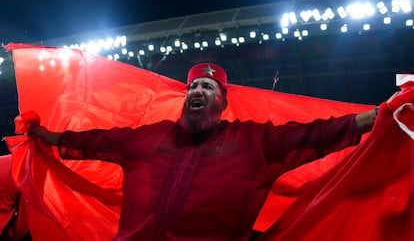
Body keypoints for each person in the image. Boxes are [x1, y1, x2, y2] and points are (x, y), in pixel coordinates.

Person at [29, 63, 377, 240]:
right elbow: (95, 140)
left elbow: (317, 133)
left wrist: (382, 115)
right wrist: (44, 135)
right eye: (193, 86)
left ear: (223, 102)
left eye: (208, 86)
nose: (198, 90)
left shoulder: (253, 142)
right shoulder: (147, 138)